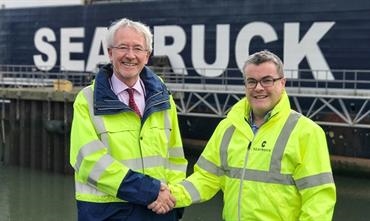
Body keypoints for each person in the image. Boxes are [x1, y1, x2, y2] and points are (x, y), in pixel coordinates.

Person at [160, 50, 336, 220]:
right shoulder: (227, 127)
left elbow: (318, 198)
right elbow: (206, 178)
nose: (258, 88)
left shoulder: (307, 132)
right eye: (252, 81)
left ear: (282, 83)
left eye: (267, 81)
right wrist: (170, 195)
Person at [70, 18, 187, 221]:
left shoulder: (163, 98)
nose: (130, 55)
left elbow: (175, 156)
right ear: (110, 52)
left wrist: (175, 201)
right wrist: (149, 191)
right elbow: (89, 161)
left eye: (138, 48)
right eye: (122, 47)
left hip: (159, 212)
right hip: (108, 213)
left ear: (147, 56)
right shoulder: (87, 100)